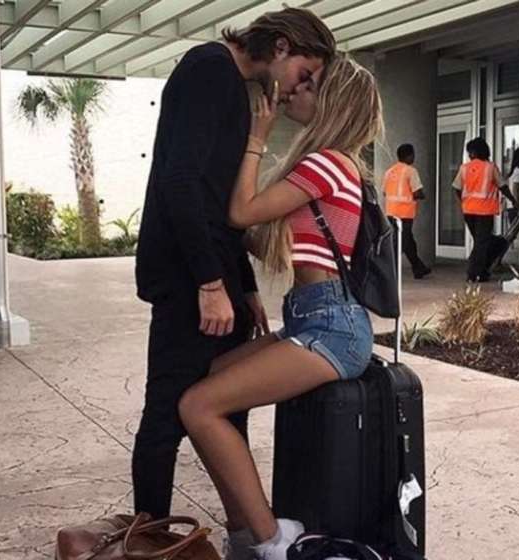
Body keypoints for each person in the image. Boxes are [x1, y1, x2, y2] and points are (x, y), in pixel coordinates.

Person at [132, 6, 336, 527]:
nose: (299, 88)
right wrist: (209, 282)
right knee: (166, 414)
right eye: (305, 74)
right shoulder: (208, 68)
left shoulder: (234, 85)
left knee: (226, 410)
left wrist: (244, 288)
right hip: (187, 279)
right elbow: (180, 182)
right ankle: (148, 537)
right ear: (282, 46)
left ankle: (247, 534)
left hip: (216, 279)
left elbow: (223, 209)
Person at [178, 56, 381, 560]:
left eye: (308, 84)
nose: (293, 90)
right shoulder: (334, 167)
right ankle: (245, 533)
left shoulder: (328, 162)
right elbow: (266, 240)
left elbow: (241, 211)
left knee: (197, 406)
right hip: (312, 316)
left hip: (332, 327)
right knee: (212, 378)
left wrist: (257, 136)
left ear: (332, 102)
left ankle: (274, 540)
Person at [452, 137, 518, 282]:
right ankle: (473, 272)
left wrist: (463, 201)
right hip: (484, 211)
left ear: (475, 152)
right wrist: (513, 200)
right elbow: (503, 186)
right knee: (481, 242)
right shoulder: (490, 168)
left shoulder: (464, 168)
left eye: (470, 152)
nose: (469, 155)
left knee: (480, 241)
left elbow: (457, 188)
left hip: (468, 210)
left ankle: (482, 270)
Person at [383, 143, 430, 279]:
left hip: (391, 211)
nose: (414, 157)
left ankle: (418, 268)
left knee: (408, 241)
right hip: (404, 213)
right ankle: (390, 273)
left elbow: (385, 192)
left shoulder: (389, 171)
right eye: (413, 155)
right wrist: (422, 195)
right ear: (409, 156)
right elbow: (417, 192)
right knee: (400, 243)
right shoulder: (410, 171)